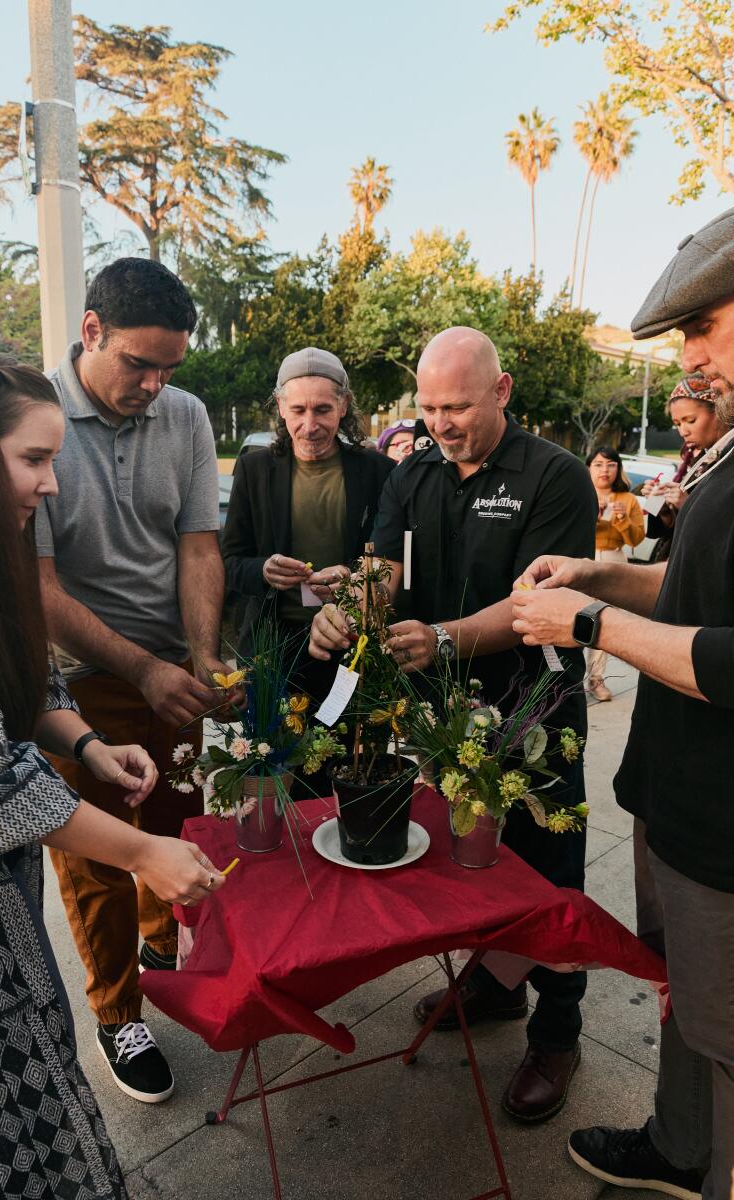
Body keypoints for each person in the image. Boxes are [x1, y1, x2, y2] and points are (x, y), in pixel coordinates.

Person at [0, 351, 225, 1197]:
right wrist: (141, 853)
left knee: (35, 1080)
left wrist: (85, 743)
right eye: (33, 459)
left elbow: (19, 681)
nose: (53, 485)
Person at [310, 326, 597, 1123]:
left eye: (458, 406)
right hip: (440, 713)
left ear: (501, 392)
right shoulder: (414, 472)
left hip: (532, 711)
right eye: (429, 407)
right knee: (468, 864)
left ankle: (559, 1029)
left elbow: (541, 608)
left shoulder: (556, 477)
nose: (441, 422)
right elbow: (381, 565)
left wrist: (441, 637)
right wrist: (350, 609)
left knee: (547, 873)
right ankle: (494, 984)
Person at [510, 206, 734, 1200]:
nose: (687, 363)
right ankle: (679, 1150)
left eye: (700, 328)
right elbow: (688, 588)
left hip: (726, 829)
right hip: (678, 799)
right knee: (685, 1003)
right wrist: (596, 582)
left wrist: (587, 630)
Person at [35, 258, 240, 1103]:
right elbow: (37, 589)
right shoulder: (35, 415)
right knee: (95, 866)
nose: (154, 385)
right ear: (91, 331)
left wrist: (200, 655)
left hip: (169, 670)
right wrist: (145, 669)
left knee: (172, 818)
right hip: (78, 683)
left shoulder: (186, 416)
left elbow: (197, 546)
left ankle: (163, 950)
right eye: (138, 364)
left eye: (169, 368)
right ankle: (118, 1014)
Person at [222, 346, 394, 719]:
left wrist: (353, 577)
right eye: (298, 410)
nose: (310, 425)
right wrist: (264, 571)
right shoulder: (254, 470)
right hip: (272, 649)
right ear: (281, 407)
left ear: (344, 405)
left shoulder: (378, 472)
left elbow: (392, 559)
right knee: (275, 768)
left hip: (349, 644)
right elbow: (231, 562)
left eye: (323, 410)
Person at [641, 374, 730, 561]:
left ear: (719, 411)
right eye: (677, 424)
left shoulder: (727, 462)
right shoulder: (701, 461)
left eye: (690, 420)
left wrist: (688, 504)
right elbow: (678, 532)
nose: (683, 431)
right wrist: (664, 510)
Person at [585, 446, 645, 701]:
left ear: (618, 469)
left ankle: (596, 679)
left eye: (611, 465)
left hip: (613, 559)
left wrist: (621, 518)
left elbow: (637, 538)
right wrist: (592, 513)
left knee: (602, 621)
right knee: (570, 617)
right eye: (598, 464)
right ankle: (563, 677)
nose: (604, 470)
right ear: (589, 467)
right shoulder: (580, 494)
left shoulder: (628, 499)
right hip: (582, 557)